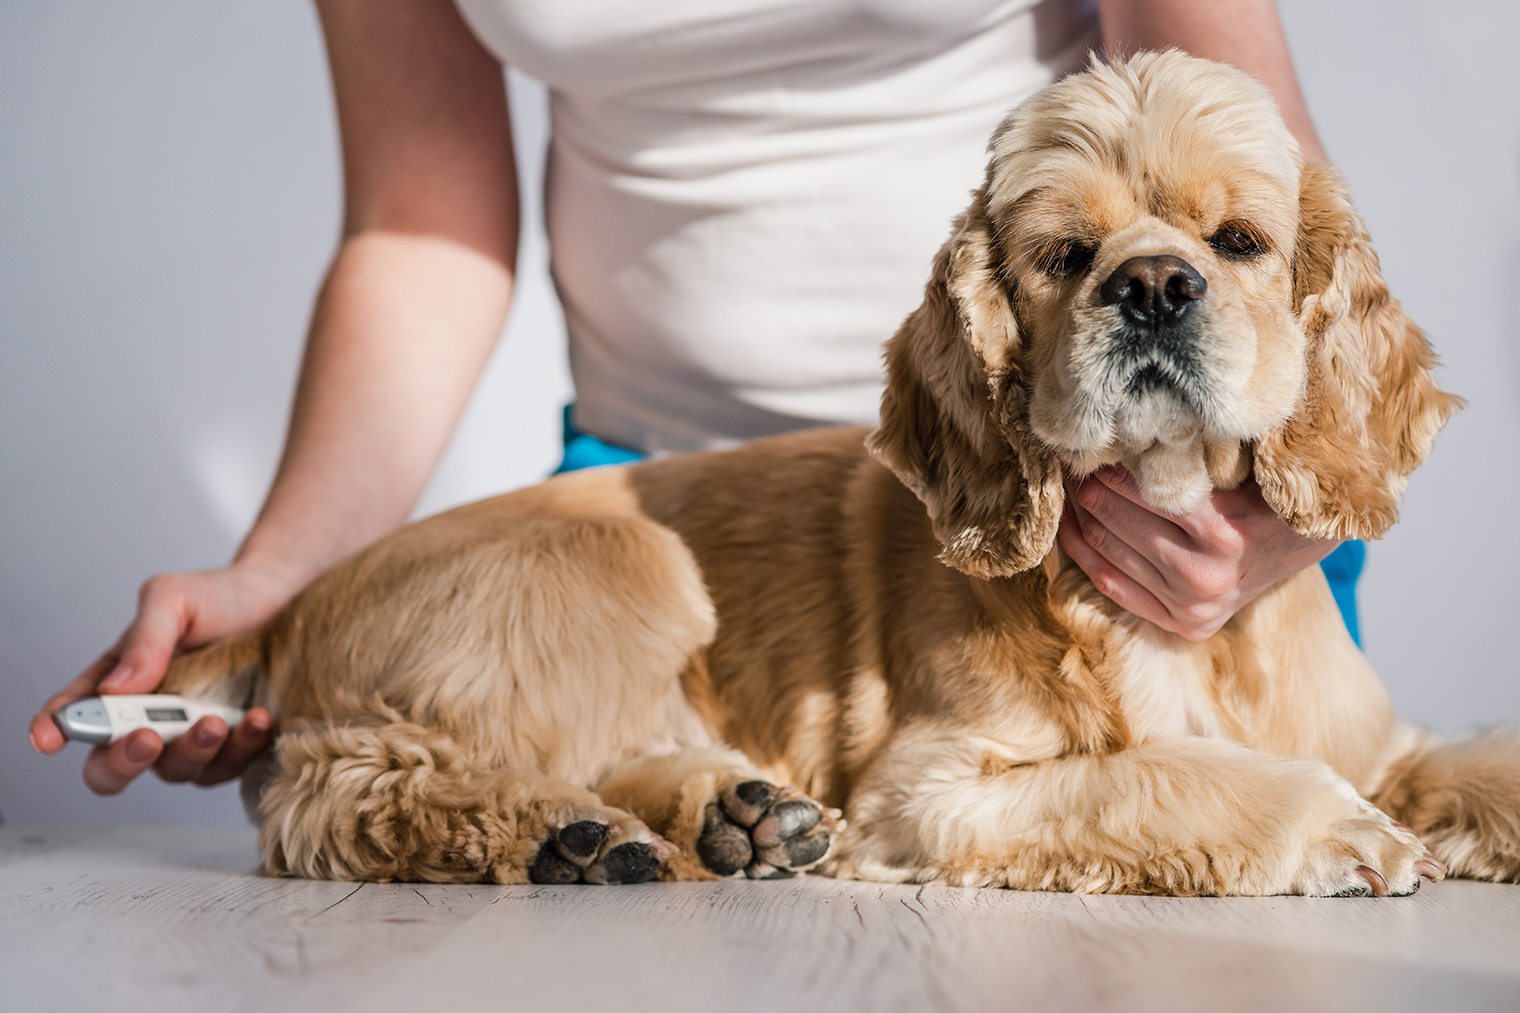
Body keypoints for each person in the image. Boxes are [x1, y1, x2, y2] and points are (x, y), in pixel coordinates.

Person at [30, 0, 1348, 797]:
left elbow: (1262, 177)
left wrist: (1307, 504)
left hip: (1073, 514)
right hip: (662, 530)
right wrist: (285, 572)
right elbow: (424, 223)